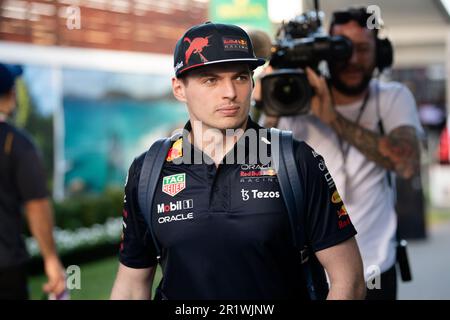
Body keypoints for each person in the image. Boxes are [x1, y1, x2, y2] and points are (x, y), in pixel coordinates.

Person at [110, 22, 365, 300]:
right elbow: (132, 286)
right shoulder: (148, 170)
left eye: (240, 77)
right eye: (211, 80)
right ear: (179, 88)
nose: (230, 92)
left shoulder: (295, 159)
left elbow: (348, 281)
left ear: (253, 82)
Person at [263, 7, 423, 300]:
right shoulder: (294, 98)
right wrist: (267, 101)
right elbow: (255, 161)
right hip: (304, 274)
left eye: (362, 48)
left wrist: (332, 118)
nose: (351, 59)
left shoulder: (392, 97)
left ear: (381, 53)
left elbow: (408, 164)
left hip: (375, 269)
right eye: (340, 49)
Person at [0, 63, 66, 299]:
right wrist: (50, 259)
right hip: (6, 267)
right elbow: (36, 205)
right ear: (9, 95)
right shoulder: (16, 144)